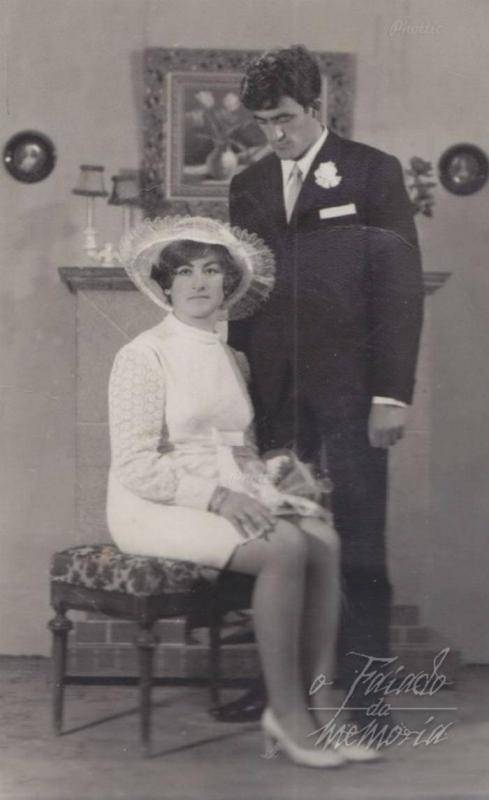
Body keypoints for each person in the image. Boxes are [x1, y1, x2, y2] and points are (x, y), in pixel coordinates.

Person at [106, 215, 378, 767]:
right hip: (154, 505)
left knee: (324, 538)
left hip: (223, 494)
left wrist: (277, 472)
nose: (199, 282)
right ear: (165, 285)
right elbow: (135, 465)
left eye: (211, 270)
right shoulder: (143, 355)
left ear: (228, 283)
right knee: (285, 548)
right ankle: (286, 712)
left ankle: (323, 701)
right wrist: (220, 499)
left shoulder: (234, 358)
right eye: (184, 272)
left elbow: (241, 450)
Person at [218, 45, 424, 730]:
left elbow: (398, 291)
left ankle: (366, 701)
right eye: (262, 123)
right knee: (280, 541)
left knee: (358, 544)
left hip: (353, 392)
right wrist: (238, 378)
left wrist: (391, 394)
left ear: (315, 106)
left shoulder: (370, 172)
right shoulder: (247, 184)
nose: (274, 135)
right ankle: (279, 689)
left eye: (283, 119)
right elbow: (243, 292)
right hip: (273, 394)